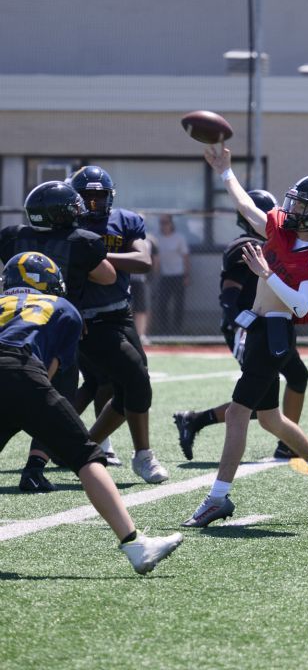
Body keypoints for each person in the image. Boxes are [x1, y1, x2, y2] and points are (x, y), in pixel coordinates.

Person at [182, 144, 308, 528]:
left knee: (238, 413)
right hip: (259, 329)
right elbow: (247, 208)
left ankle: (217, 498)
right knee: (271, 419)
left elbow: (299, 305)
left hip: (275, 333)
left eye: (302, 205)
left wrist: (267, 274)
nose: (292, 209)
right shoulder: (284, 235)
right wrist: (226, 171)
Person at [0, 251, 183, 573]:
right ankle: (135, 544)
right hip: (21, 369)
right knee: (86, 456)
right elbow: (52, 371)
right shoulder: (63, 307)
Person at [173, 189, 308, 461]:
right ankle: (195, 421)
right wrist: (242, 325)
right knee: (258, 396)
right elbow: (229, 294)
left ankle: (287, 444)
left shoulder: (273, 245)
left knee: (297, 377)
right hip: (248, 329)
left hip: (271, 326)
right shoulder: (247, 246)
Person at [0, 180, 119, 491]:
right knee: (59, 392)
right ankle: (36, 465)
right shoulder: (81, 246)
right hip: (35, 349)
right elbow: (108, 276)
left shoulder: (12, 237)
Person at [69, 165, 168, 484]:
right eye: (87, 197)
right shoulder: (68, 224)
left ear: (110, 197)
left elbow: (144, 261)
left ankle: (84, 449)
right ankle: (141, 455)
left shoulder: (126, 220)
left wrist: (95, 258)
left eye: (99, 197)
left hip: (120, 313)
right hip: (85, 319)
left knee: (128, 387)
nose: (93, 203)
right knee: (131, 380)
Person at [153, 214, 190, 335]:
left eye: (166, 223)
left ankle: (177, 330)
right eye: (161, 223)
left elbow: (185, 257)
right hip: (164, 275)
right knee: (162, 303)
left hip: (178, 274)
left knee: (178, 303)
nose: (163, 225)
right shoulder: (157, 238)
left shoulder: (179, 238)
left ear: (171, 224)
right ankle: (164, 330)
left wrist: (186, 275)